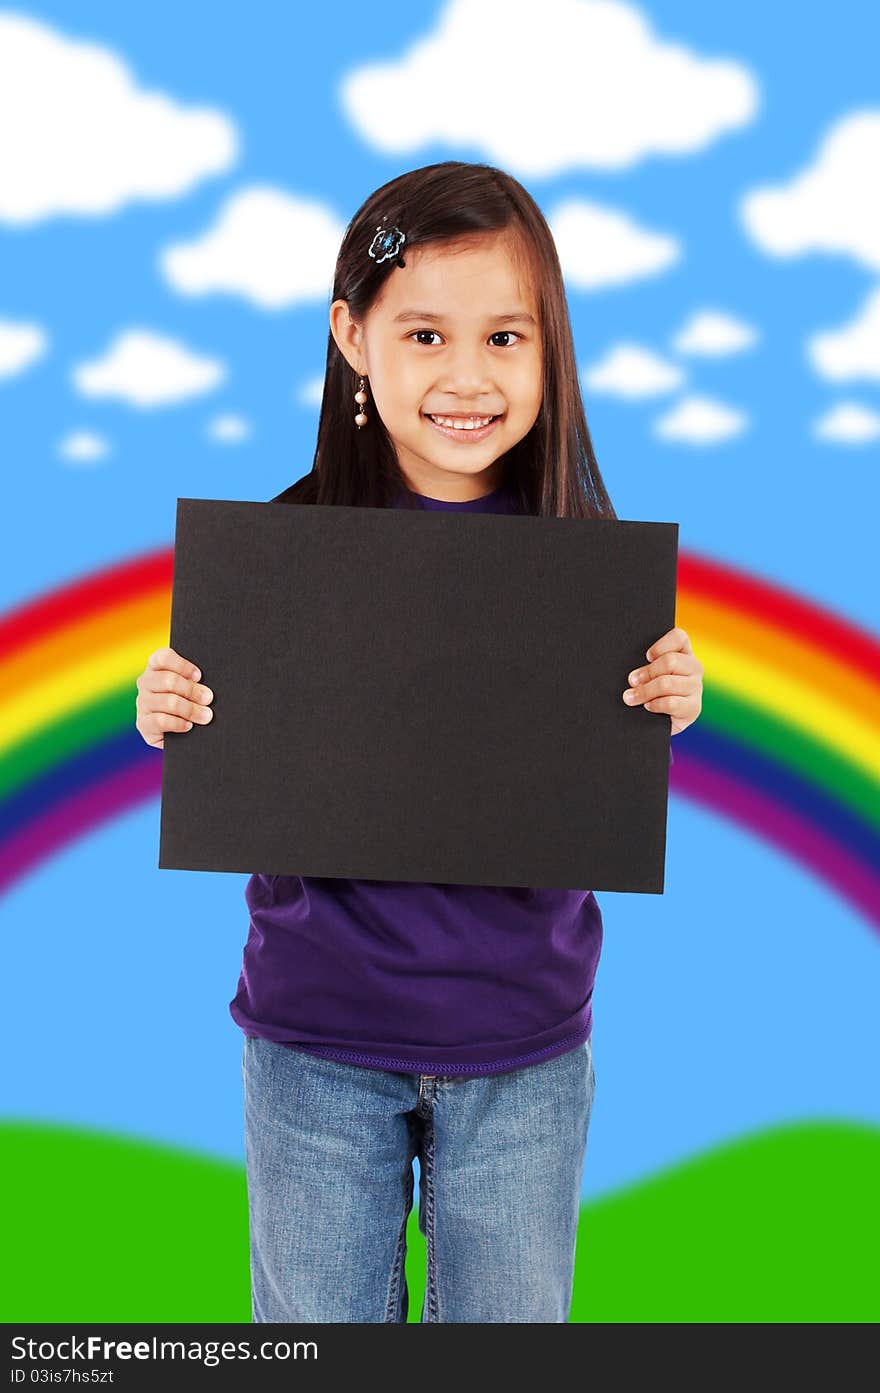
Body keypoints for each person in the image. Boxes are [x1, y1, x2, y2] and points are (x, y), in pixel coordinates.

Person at [134, 161, 704, 1323]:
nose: (467, 376)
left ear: (552, 349)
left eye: (506, 336)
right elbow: (219, 725)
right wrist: (171, 705)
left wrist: (669, 691)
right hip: (313, 1041)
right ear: (352, 336)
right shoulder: (283, 557)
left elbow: (601, 752)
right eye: (425, 333)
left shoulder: (582, 566)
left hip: (524, 1043)